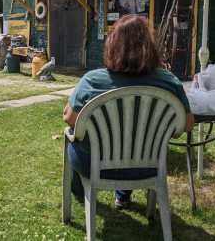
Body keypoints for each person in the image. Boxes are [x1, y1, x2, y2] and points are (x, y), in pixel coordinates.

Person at [63, 15, 194, 209]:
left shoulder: (92, 81)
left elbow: (70, 118)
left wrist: (69, 109)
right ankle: (123, 197)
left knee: (72, 139)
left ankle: (82, 195)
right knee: (133, 135)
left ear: (112, 46)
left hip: (95, 165)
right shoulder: (169, 82)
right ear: (149, 47)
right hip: (148, 167)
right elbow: (186, 124)